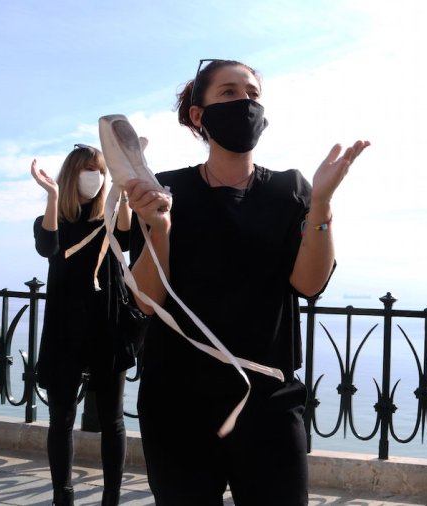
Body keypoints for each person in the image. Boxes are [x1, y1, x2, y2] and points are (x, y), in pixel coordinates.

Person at [125, 59, 369, 505]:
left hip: (268, 403)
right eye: (229, 92)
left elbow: (309, 285)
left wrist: (321, 205)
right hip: (176, 402)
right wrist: (158, 228)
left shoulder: (289, 189)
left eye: (252, 94)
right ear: (199, 115)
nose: (245, 102)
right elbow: (145, 302)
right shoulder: (167, 191)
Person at [31, 144, 134, 506]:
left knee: (112, 419)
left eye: (100, 169)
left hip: (108, 325)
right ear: (72, 173)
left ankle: (111, 498)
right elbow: (47, 247)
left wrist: (121, 192)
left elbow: (127, 239)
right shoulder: (53, 216)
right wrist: (53, 197)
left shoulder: (110, 213)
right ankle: (64, 495)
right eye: (88, 168)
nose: (95, 175)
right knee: (61, 418)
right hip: (64, 328)